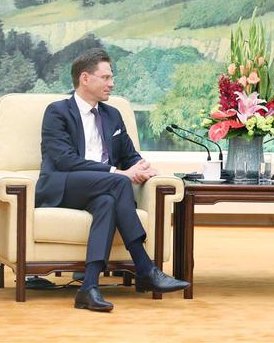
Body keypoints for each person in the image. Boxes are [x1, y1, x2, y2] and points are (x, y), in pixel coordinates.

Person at [35, 48, 189, 312]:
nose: (111, 83)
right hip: (63, 185)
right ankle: (145, 267)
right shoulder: (57, 112)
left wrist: (142, 168)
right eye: (105, 77)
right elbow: (64, 160)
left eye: (111, 77)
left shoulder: (112, 115)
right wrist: (117, 173)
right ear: (85, 78)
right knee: (117, 183)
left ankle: (89, 288)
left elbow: (129, 156)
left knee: (107, 201)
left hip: (101, 189)